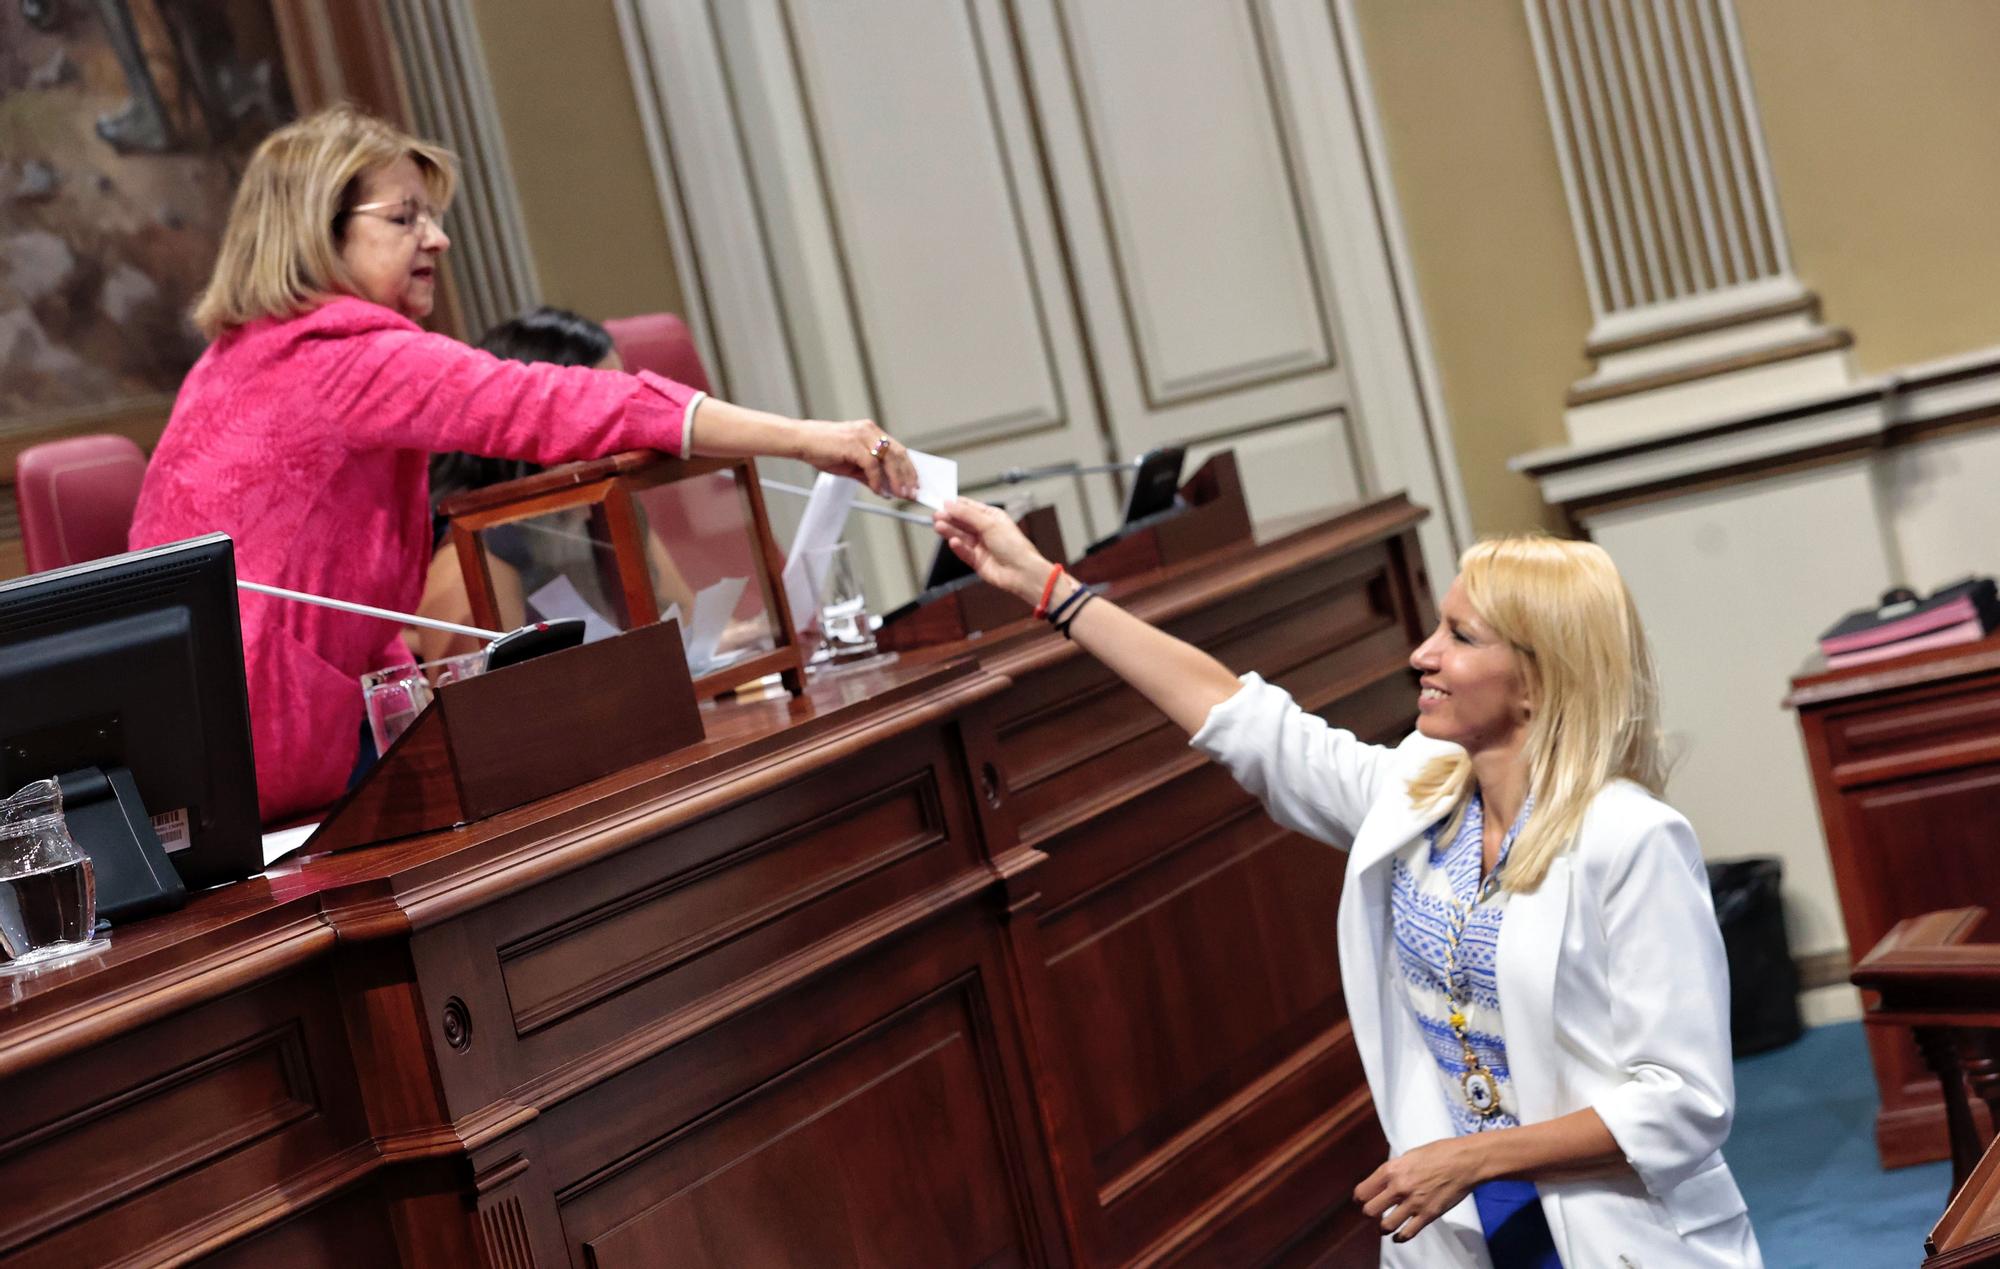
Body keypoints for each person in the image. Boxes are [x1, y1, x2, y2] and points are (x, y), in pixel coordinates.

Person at [930, 500, 1761, 1268]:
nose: (1422, 653)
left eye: (1461, 637)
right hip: (1467, 1227)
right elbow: (1244, 721)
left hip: (1615, 1231)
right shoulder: (1420, 789)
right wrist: (1053, 591)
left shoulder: (1632, 838)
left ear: (1541, 680)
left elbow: (1685, 1100)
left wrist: (1475, 1156)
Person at [130, 105, 918, 823]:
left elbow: (347, 612)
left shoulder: (242, 356)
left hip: (213, 750)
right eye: (405, 217)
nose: (436, 237)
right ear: (316, 232)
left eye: (432, 216)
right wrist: (809, 437)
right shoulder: (339, 356)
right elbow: (558, 404)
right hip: (272, 755)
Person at [412, 305, 699, 662]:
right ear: (531, 421)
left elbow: (692, 629)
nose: (624, 432)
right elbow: (485, 710)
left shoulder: (610, 507)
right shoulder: (467, 560)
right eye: (602, 412)